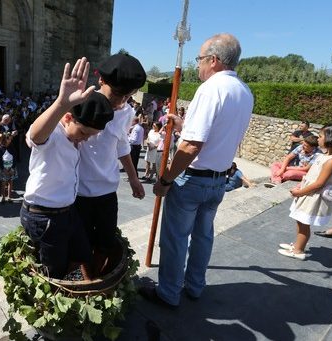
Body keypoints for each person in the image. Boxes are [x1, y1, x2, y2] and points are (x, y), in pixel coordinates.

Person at [140, 33, 254, 307]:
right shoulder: (244, 91)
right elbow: (218, 133)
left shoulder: (211, 89)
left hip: (192, 180)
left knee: (176, 240)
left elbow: (191, 147)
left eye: (200, 59)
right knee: (203, 237)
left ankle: (168, 293)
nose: (198, 65)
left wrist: (166, 179)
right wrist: (183, 126)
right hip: (218, 180)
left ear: (213, 60)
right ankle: (194, 286)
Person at [21, 57, 114, 280]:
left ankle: (67, 279)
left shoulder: (75, 138)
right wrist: (62, 103)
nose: (83, 140)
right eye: (83, 133)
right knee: (52, 270)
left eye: (89, 137)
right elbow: (34, 135)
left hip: (67, 211)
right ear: (68, 117)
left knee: (83, 253)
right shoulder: (52, 134)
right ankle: (52, 295)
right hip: (44, 216)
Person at [75, 53, 147, 277]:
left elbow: (122, 144)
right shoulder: (82, 103)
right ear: (101, 81)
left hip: (107, 191)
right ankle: (89, 282)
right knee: (82, 245)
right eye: (116, 94)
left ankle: (94, 279)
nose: (120, 102)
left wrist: (134, 179)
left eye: (128, 96)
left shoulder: (126, 112)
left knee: (106, 243)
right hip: (79, 193)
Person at [279, 123, 332, 260]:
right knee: (299, 221)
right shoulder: (325, 155)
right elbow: (310, 175)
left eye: (320, 136)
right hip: (308, 192)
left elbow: (319, 183)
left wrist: (300, 192)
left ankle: (298, 250)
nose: (317, 139)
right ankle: (297, 245)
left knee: (303, 222)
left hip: (313, 196)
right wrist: (300, 186)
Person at [0, 134, 18, 203]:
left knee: (10, 182)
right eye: (8, 139)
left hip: (11, 168)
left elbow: (15, 158)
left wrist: (12, 168)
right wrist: (3, 168)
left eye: (10, 139)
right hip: (4, 168)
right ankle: (3, 196)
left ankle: (9, 197)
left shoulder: (12, 147)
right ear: (4, 139)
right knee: (3, 183)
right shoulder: (1, 148)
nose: (10, 140)